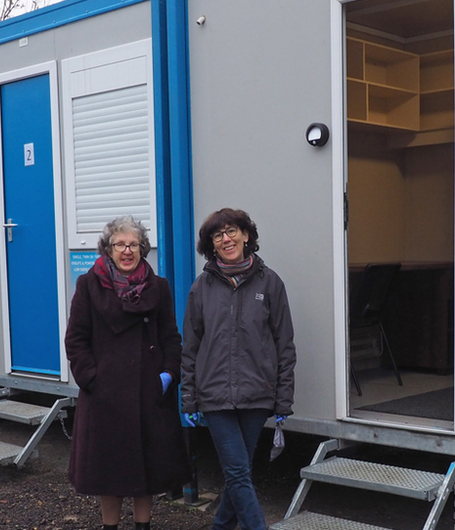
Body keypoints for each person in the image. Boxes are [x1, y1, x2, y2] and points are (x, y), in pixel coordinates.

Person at [65, 216, 189, 530]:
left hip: (148, 393)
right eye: (120, 244)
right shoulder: (89, 284)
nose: (127, 250)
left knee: (146, 472)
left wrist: (168, 374)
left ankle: (142, 526)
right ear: (108, 249)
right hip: (104, 396)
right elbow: (76, 338)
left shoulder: (158, 287)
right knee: (110, 473)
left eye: (133, 244)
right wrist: (92, 378)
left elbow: (171, 337)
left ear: (143, 249)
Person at [181, 208, 297, 530]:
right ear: (212, 246)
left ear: (246, 236)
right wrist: (188, 398)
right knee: (237, 471)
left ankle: (221, 526)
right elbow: (190, 347)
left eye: (232, 231)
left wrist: (283, 398)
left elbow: (284, 343)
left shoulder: (270, 283)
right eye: (218, 236)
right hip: (214, 395)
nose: (226, 239)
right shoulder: (201, 288)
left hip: (257, 394)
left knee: (240, 471)